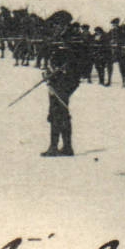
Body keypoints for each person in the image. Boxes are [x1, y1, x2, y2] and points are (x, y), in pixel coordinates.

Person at [40, 12, 86, 157]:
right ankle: (65, 147)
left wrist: (65, 68)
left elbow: (80, 59)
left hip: (66, 80)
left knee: (58, 111)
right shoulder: (58, 37)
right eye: (55, 25)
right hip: (54, 79)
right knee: (57, 111)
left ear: (64, 24)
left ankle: (57, 147)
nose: (55, 27)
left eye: (58, 24)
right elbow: (50, 55)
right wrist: (48, 71)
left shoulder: (73, 38)